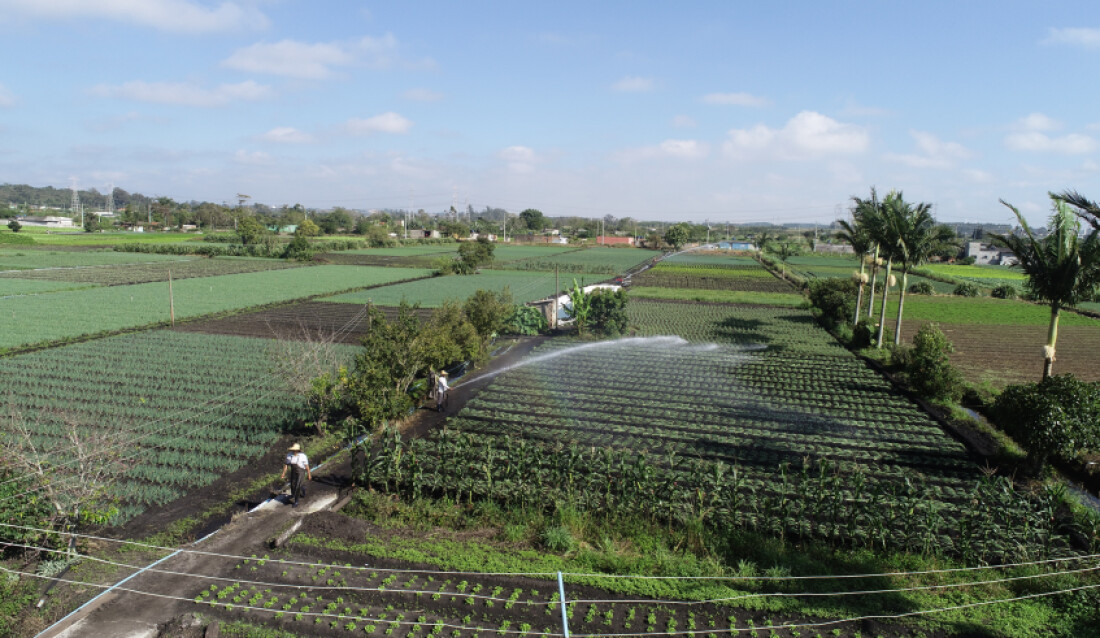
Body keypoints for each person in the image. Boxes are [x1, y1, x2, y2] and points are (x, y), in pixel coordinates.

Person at [280, 443, 311, 507]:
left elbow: (306, 466)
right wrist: (283, 473)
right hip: (293, 471)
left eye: (295, 450)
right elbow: (286, 465)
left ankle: (296, 501)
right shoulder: (289, 455)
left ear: (298, 450)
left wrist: (309, 474)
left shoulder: (302, 456)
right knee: (293, 485)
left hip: (301, 472)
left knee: (297, 486)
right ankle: (302, 489)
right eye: (293, 450)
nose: (294, 451)